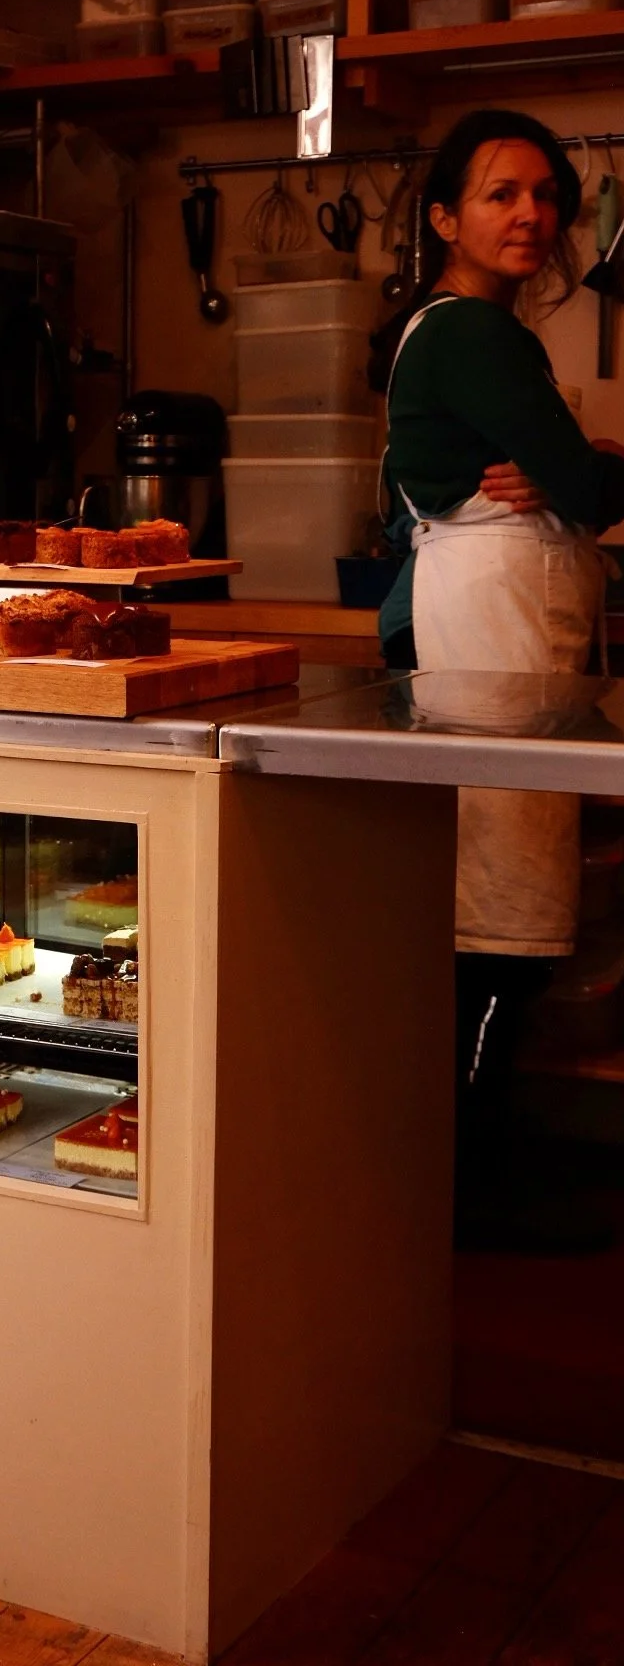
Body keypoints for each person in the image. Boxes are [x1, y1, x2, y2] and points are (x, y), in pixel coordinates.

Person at [372, 108, 624, 1251]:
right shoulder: (470, 333)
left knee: (497, 915)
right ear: (442, 218)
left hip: (494, 631)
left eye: (543, 195)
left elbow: (567, 477)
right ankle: (466, 1188)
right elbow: (576, 483)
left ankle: (465, 1172)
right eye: (498, 194)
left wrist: (583, 470)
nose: (530, 214)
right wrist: (594, 469)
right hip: (490, 641)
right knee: (496, 928)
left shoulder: (459, 332)